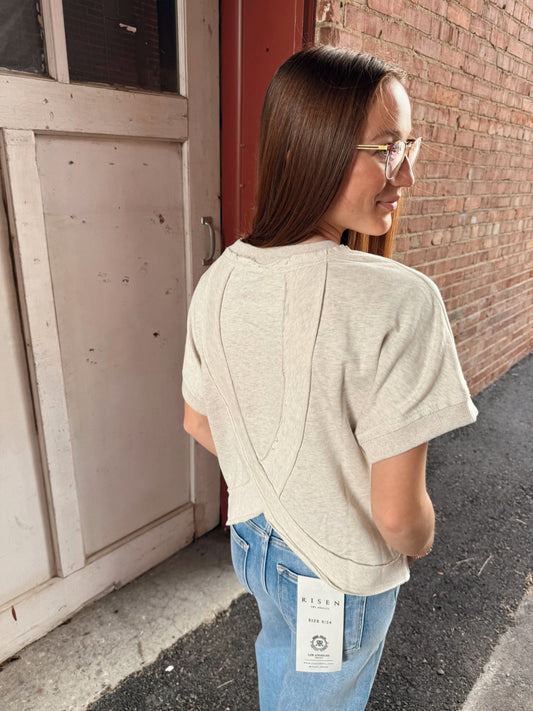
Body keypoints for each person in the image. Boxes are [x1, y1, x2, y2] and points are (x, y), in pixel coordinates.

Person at [182, 45, 478, 711]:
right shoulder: (400, 299)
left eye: (408, 145)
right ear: (310, 148)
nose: (405, 174)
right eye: (386, 149)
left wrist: (282, 490)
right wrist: (423, 538)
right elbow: (399, 516)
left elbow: (198, 420)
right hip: (336, 566)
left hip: (253, 540)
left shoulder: (221, 277)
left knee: (283, 671)